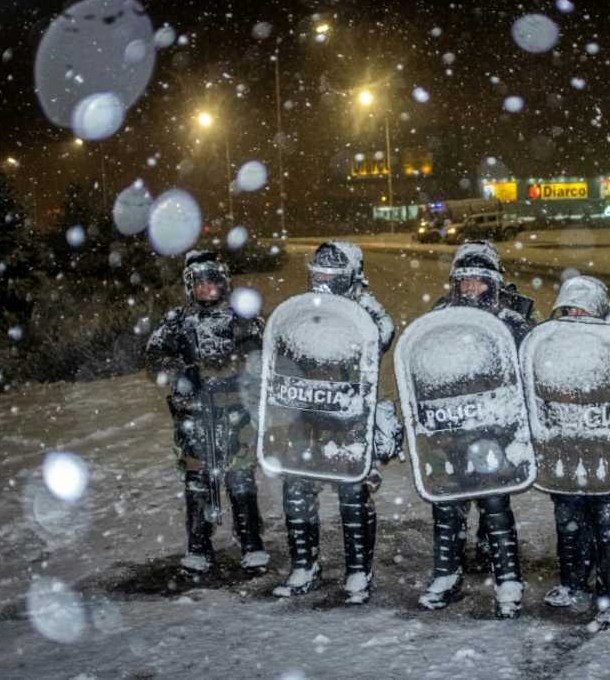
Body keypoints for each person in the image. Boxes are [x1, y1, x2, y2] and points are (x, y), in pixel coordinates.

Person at [272, 241, 401, 604]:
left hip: (348, 417)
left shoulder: (365, 307)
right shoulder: (302, 309)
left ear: (351, 276)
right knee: (297, 490)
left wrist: (352, 310)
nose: (324, 282)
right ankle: (304, 566)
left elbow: (384, 333)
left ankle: (358, 572)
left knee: (352, 494)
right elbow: (281, 349)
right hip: (305, 415)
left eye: (332, 275)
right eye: (319, 274)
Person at [418, 241, 533, 618]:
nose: (471, 287)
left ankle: (508, 581)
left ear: (493, 282)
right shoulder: (440, 315)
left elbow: (525, 370)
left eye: (479, 281)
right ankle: (447, 574)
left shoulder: (512, 320)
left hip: (492, 429)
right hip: (450, 426)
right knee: (446, 504)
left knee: (495, 504)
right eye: (464, 280)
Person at [146, 249, 269, 575]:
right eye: (197, 284)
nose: (205, 290)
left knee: (240, 479)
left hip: (234, 415)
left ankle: (252, 543)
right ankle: (199, 546)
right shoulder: (176, 322)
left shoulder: (241, 319)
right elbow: (154, 357)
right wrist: (180, 372)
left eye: (210, 283)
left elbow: (259, 357)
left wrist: (227, 369)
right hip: (194, 418)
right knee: (197, 482)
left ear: (222, 284)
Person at [541, 275, 610, 630]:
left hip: (606, 452)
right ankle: (573, 582)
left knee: (608, 524)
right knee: (568, 521)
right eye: (569, 308)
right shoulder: (549, 345)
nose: (575, 314)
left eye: (582, 308)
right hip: (565, 449)